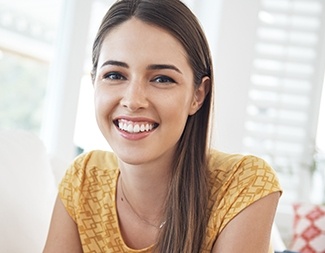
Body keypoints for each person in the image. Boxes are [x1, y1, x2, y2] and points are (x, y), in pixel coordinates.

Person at [43, 0, 282, 252]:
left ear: (198, 95)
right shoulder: (83, 181)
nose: (133, 101)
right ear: (94, 83)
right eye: (114, 75)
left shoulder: (244, 183)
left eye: (162, 79)